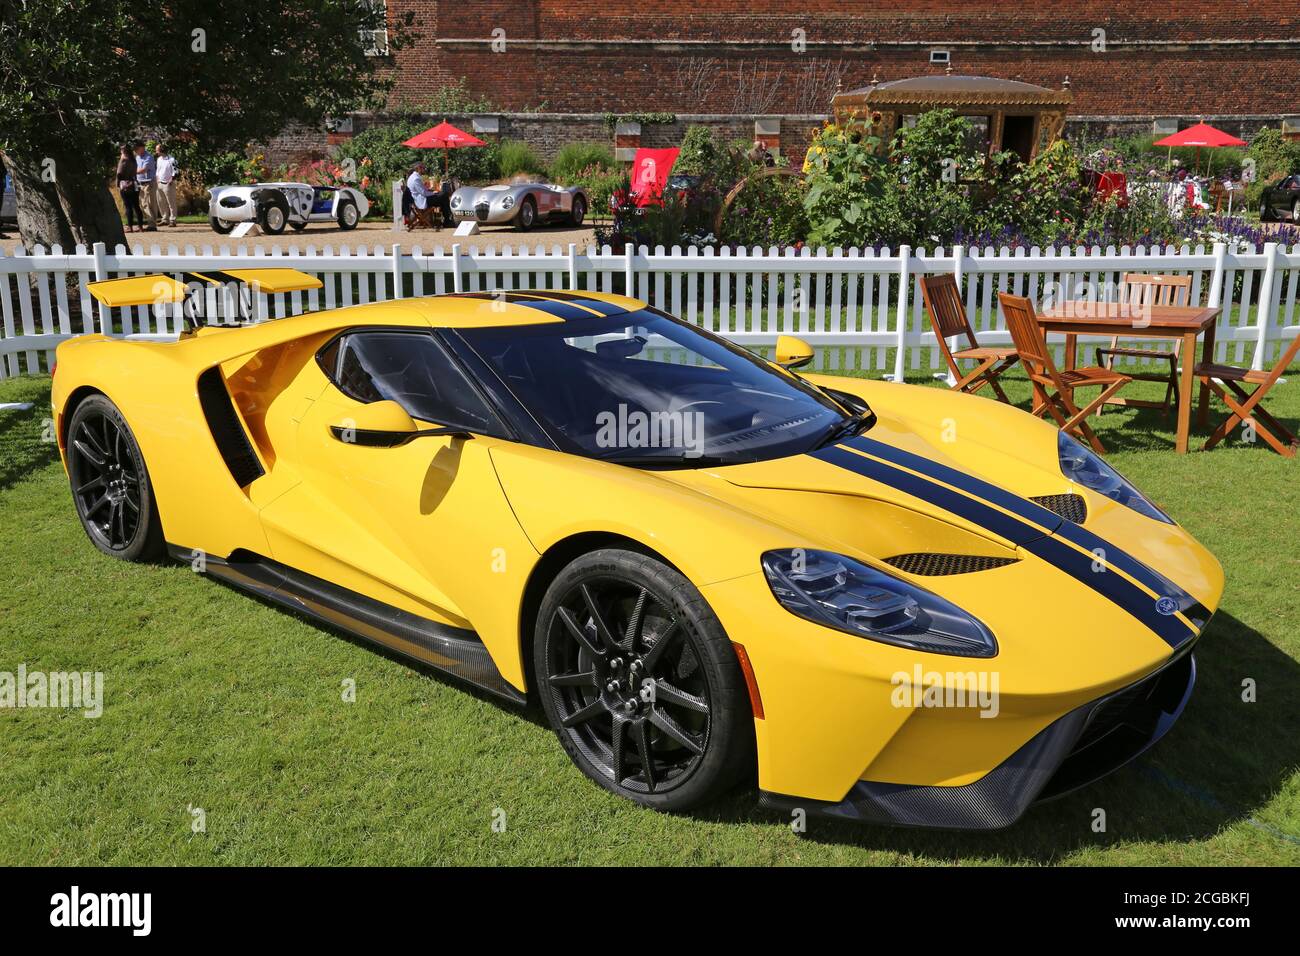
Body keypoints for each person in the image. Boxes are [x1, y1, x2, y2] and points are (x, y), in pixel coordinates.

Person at [116, 145, 144, 233]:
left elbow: (119, 173)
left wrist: (117, 184)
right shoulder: (133, 160)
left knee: (128, 206)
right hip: (134, 183)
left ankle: (130, 227)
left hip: (125, 185)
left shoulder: (123, 160)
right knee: (136, 206)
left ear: (123, 151)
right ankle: (140, 226)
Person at [133, 141, 158, 230]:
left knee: (150, 203)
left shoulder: (148, 157)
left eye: (137, 149)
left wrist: (131, 171)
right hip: (140, 183)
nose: (135, 151)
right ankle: (151, 223)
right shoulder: (137, 157)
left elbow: (144, 170)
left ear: (142, 148)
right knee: (143, 204)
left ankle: (152, 224)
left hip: (149, 183)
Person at [154, 143, 178, 227]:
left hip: (168, 184)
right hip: (159, 183)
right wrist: (157, 179)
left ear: (162, 150)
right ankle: (165, 219)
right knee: (161, 202)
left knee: (171, 203)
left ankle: (173, 220)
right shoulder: (159, 159)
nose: (156, 151)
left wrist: (171, 180)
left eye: (157, 149)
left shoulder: (171, 159)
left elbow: (175, 171)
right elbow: (158, 170)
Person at [405, 162, 433, 230]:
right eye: (423, 168)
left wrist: (429, 190)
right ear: (418, 169)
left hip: (416, 199)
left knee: (441, 196)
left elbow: (421, 190)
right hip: (419, 201)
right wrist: (434, 193)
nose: (424, 169)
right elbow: (423, 193)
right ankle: (447, 221)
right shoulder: (416, 179)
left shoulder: (414, 177)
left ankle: (444, 220)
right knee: (443, 197)